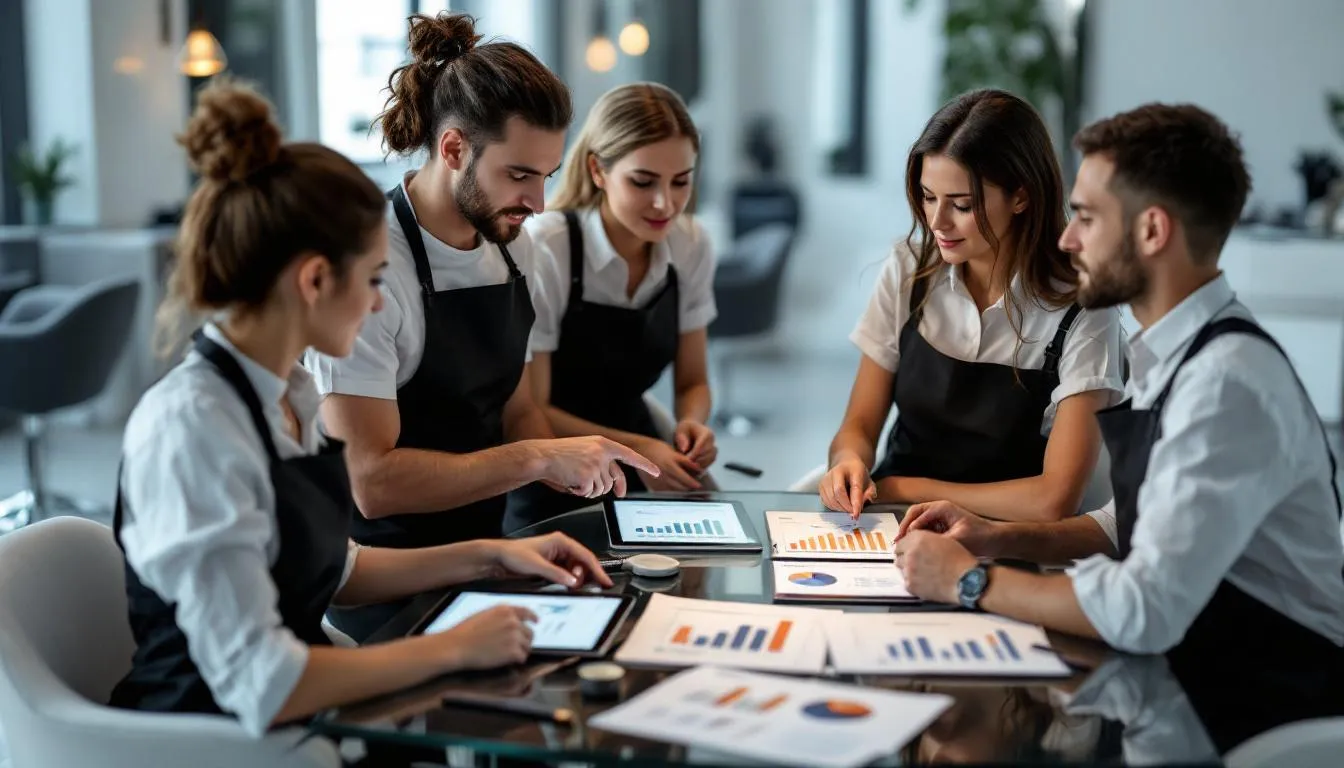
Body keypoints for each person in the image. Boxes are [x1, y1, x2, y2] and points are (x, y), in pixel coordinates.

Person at [111, 80, 615, 737]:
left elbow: (337, 568)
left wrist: (494, 557)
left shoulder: (285, 396)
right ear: (315, 280)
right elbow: (266, 684)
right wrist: (452, 648)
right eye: (374, 279)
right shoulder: (191, 428)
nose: (381, 304)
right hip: (216, 746)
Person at [895, 102, 1344, 741]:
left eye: (1085, 216)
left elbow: (1145, 609)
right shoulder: (1181, 350)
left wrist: (968, 580)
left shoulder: (1225, 383)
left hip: (1260, 710)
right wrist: (995, 537)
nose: (1067, 238)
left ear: (1152, 231)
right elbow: (1128, 522)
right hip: (1194, 674)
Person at [304, 13, 657, 637]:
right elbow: (373, 484)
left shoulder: (513, 244)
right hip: (385, 585)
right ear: (453, 149)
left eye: (546, 177)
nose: (539, 203)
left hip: (489, 552)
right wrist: (536, 458)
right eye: (518, 175)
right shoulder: (371, 271)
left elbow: (519, 411)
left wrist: (575, 472)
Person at [821, 89, 1124, 523]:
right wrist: (848, 460)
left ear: (1021, 196)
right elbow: (859, 426)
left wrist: (909, 488)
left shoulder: (1083, 309)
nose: (937, 222)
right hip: (889, 522)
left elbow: (1054, 499)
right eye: (928, 197)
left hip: (1004, 542)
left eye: (962, 205)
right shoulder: (909, 270)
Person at [507, 82, 719, 530]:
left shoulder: (691, 244)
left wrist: (691, 425)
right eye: (643, 182)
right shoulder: (549, 248)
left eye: (681, 181)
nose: (666, 203)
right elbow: (534, 407)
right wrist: (642, 450)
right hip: (553, 471)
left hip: (643, 463)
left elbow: (694, 380)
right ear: (598, 171)